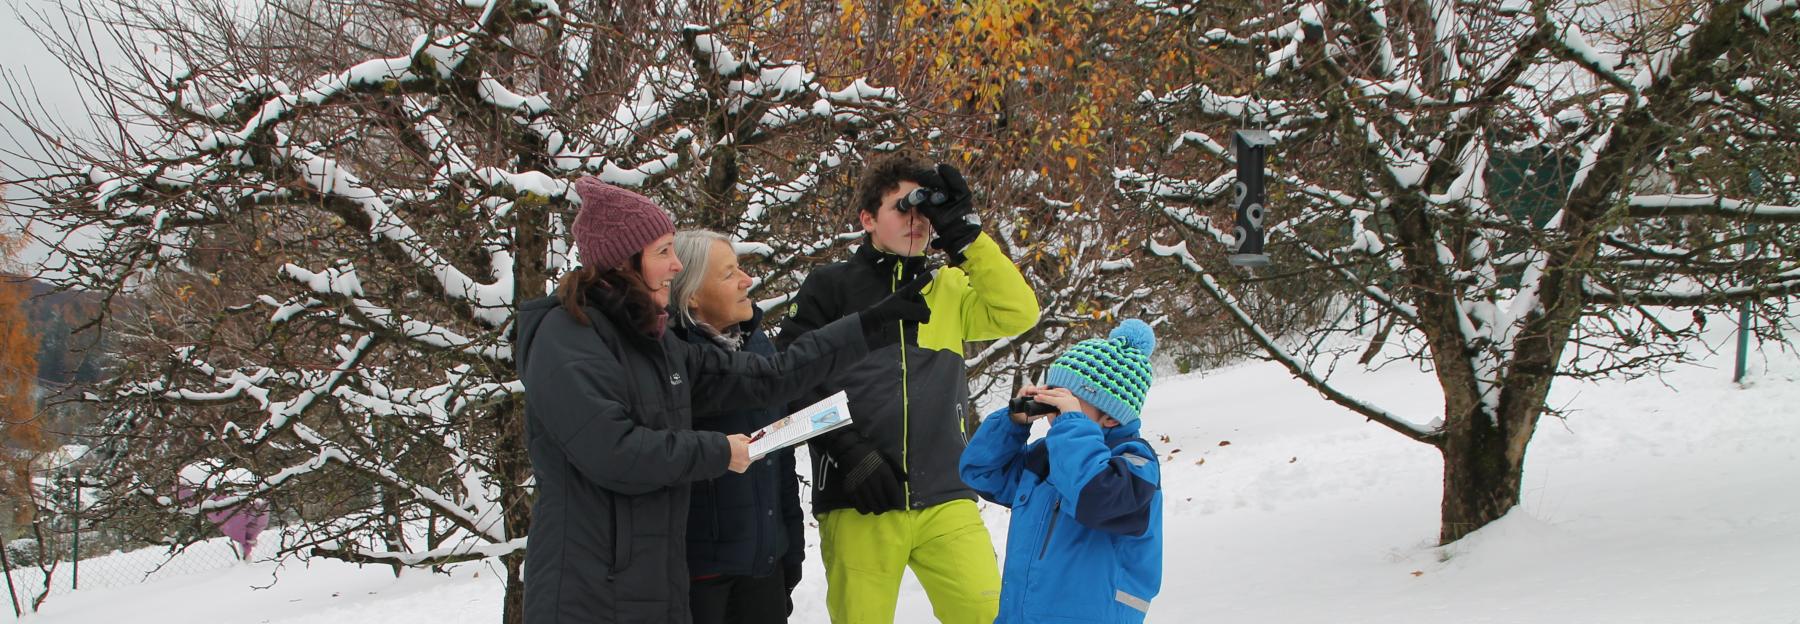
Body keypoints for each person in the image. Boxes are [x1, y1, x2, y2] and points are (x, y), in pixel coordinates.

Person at [513, 178, 932, 624]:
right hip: (588, 589)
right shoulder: (567, 337)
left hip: (653, 583)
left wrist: (868, 325)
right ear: (622, 262)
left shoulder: (655, 346)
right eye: (662, 252)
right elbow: (613, 451)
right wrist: (720, 451)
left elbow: (771, 377)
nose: (675, 265)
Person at [775, 153, 1040, 623]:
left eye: (926, 210)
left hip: (946, 495)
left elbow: (1019, 313)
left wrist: (965, 236)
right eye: (903, 207)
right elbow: (791, 381)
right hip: (861, 498)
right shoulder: (828, 287)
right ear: (867, 219)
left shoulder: (951, 288)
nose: (916, 220)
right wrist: (848, 450)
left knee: (988, 614)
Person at [958, 319, 1164, 623]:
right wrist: (1012, 423)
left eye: (1067, 399)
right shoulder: (1049, 454)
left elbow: (1095, 498)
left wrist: (1072, 425)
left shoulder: (1135, 462)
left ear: (1110, 417)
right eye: (1054, 392)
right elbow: (981, 472)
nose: (1054, 404)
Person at [666, 229, 806, 623]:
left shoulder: (759, 347)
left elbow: (778, 459)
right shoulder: (672, 361)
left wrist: (789, 549)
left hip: (764, 566)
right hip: (700, 578)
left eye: (741, 269)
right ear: (692, 294)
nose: (747, 280)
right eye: (729, 274)